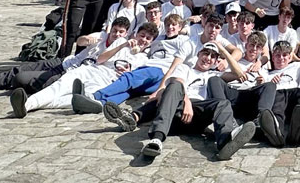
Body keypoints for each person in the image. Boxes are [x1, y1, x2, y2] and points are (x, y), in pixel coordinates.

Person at [102, 42, 255, 160]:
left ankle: (225, 142)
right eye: (205, 53)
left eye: (212, 56)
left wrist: (223, 50)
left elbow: (240, 75)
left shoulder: (213, 75)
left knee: (223, 103)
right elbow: (177, 82)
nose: (208, 58)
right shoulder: (185, 68)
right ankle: (156, 139)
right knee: (172, 88)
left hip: (198, 117)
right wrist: (186, 101)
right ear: (198, 54)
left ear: (216, 61)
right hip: (177, 111)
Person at [10, 22, 157, 118]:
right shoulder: (121, 42)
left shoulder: (144, 60)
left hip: (106, 81)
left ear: (151, 42)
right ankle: (27, 104)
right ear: (136, 34)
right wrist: (122, 46)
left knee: (76, 99)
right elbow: (100, 59)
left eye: (148, 38)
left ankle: (26, 106)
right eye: (142, 35)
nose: (143, 40)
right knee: (59, 87)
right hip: (91, 70)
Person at [0, 18, 131, 94]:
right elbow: (80, 42)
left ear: (126, 34)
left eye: (120, 33)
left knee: (22, 78)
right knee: (19, 69)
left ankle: (23, 89)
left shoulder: (121, 51)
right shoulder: (100, 36)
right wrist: (86, 39)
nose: (116, 35)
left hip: (69, 74)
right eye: (115, 31)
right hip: (64, 62)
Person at [72, 13, 192, 111]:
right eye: (167, 25)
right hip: (151, 74)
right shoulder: (157, 40)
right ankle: (97, 104)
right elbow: (142, 50)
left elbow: (191, 52)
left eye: (174, 25)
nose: (170, 27)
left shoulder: (184, 40)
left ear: (180, 27)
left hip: (161, 71)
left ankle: (94, 96)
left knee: (130, 78)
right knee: (129, 91)